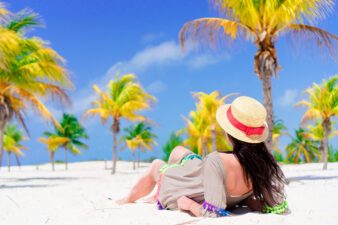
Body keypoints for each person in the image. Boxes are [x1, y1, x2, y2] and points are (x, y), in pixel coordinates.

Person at [116, 96, 288, 217]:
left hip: (184, 186)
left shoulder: (218, 160)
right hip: (201, 174)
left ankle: (128, 199)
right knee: (178, 151)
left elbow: (211, 212)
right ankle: (154, 194)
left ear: (230, 134)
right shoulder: (262, 164)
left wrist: (187, 204)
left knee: (156, 165)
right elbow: (275, 205)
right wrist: (250, 201)